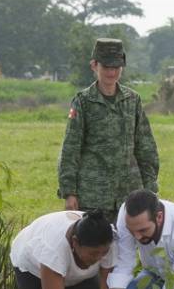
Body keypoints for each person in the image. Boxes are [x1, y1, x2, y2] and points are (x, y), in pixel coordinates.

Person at [58, 38, 160, 218]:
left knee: (127, 245)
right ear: (94, 66)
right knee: (93, 245)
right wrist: (69, 192)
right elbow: (71, 149)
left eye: (116, 67)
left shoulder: (132, 100)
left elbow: (146, 147)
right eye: (106, 67)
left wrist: (150, 188)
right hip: (92, 197)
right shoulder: (83, 101)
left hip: (130, 196)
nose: (111, 72)